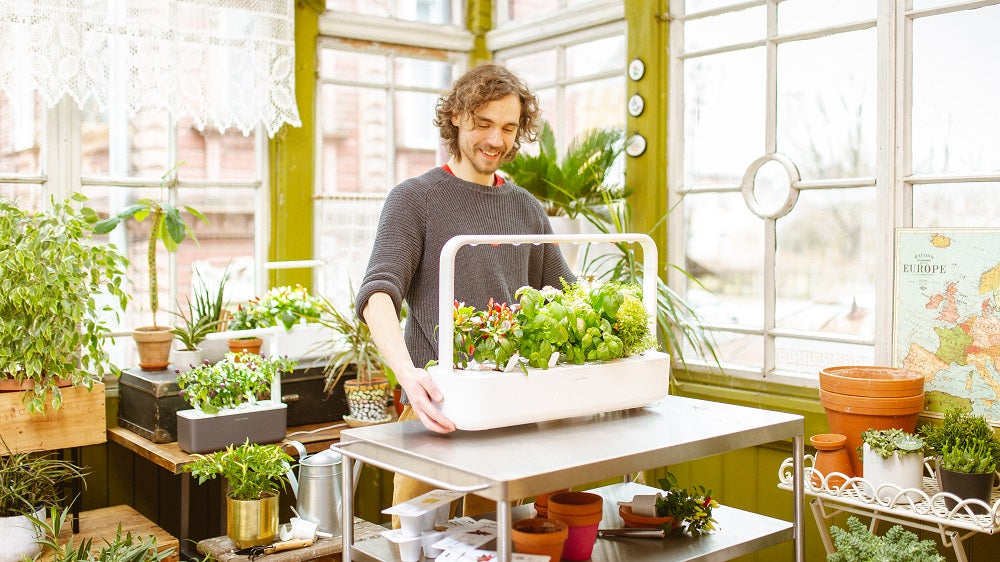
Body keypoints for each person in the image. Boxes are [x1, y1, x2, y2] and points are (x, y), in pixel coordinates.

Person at [353, 62, 576, 517]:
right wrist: (408, 377)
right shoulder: (414, 199)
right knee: (416, 546)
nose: (497, 140)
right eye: (484, 124)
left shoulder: (526, 209)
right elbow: (378, 295)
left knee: (498, 542)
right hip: (434, 412)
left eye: (509, 128)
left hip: (510, 417)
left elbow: (566, 296)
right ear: (455, 116)